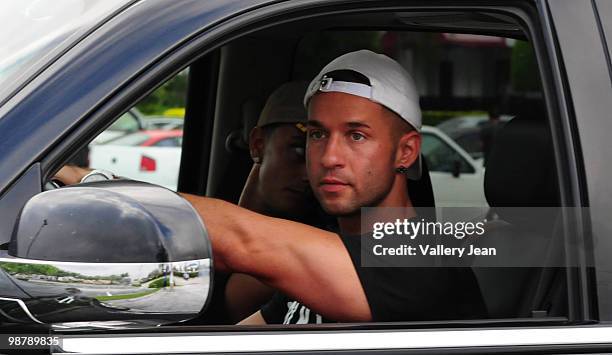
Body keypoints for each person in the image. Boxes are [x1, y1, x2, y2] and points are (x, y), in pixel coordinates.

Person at [56, 50, 487, 324]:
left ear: (406, 153)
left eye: (356, 135)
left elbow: (244, 239)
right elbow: (238, 334)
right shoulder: (330, 254)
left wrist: (95, 187)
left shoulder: (421, 260)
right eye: (317, 135)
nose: (330, 156)